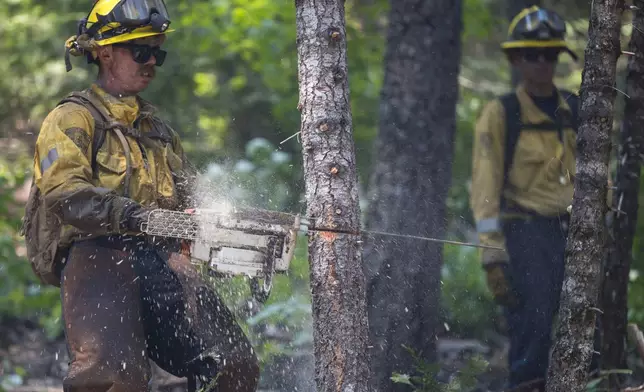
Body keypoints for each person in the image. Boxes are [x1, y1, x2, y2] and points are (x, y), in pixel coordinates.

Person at [20, 1, 259, 391]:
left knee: (233, 363)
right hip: (97, 257)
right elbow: (64, 192)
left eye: (157, 53)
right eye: (142, 51)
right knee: (114, 378)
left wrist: (232, 235)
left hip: (162, 260)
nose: (152, 62)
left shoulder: (158, 131)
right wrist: (132, 216)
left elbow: (193, 201)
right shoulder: (72, 119)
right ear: (105, 52)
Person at [470, 6, 601, 392]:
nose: (542, 63)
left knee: (586, 332)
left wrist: (602, 230)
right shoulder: (502, 113)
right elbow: (484, 188)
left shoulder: (578, 110)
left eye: (549, 54)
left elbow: (599, 176)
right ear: (516, 58)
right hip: (526, 237)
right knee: (534, 330)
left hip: (578, 236)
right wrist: (492, 256)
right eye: (532, 54)